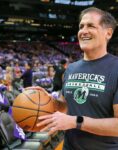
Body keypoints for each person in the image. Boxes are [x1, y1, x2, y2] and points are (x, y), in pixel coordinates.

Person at [26, 7, 118, 149]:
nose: (84, 31)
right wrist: (48, 101)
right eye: (81, 26)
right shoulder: (71, 69)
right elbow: (65, 107)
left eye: (91, 26)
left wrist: (76, 122)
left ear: (108, 33)